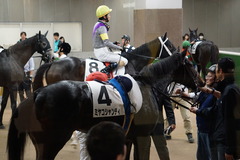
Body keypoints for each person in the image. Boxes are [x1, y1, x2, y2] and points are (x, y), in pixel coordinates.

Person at [183, 64, 218, 160]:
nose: (207, 78)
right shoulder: (206, 90)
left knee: (210, 156)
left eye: (210, 76)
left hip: (209, 130)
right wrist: (183, 94)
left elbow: (212, 112)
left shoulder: (216, 93)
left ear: (216, 78)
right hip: (201, 128)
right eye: (207, 75)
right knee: (201, 156)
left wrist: (198, 111)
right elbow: (197, 97)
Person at [211, 57, 239, 160]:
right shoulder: (232, 88)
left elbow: (230, 121)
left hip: (225, 143)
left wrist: (229, 149)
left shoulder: (228, 92)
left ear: (221, 71)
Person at [92, 5, 128, 75]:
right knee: (124, 60)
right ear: (104, 16)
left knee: (117, 55)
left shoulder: (98, 24)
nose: (110, 16)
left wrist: (113, 44)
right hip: (102, 52)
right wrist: (120, 48)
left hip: (101, 50)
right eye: (108, 14)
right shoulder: (102, 27)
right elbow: (106, 42)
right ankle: (111, 73)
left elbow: (103, 41)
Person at [18, 32, 35, 102]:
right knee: (20, 92)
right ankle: (22, 104)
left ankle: (30, 104)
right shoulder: (18, 57)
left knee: (28, 92)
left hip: (26, 75)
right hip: (19, 76)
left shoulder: (30, 57)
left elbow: (32, 67)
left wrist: (30, 77)